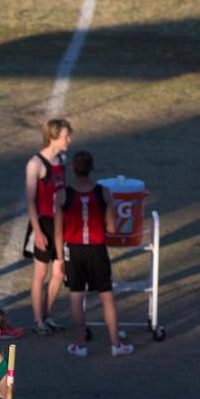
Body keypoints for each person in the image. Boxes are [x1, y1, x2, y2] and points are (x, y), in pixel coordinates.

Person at [53, 150, 134, 357]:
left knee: (76, 298)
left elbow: (58, 232)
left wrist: (60, 259)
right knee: (106, 297)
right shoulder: (104, 193)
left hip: (74, 251)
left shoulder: (63, 195)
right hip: (97, 250)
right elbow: (112, 229)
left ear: (72, 168)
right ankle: (116, 344)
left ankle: (80, 345)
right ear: (92, 168)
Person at [25, 118, 71, 334]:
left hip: (60, 223)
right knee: (40, 274)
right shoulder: (35, 165)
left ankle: (47, 315)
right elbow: (30, 201)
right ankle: (37, 321)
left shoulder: (62, 159)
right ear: (53, 137)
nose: (68, 139)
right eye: (65, 136)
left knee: (60, 272)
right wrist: (37, 232)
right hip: (43, 223)